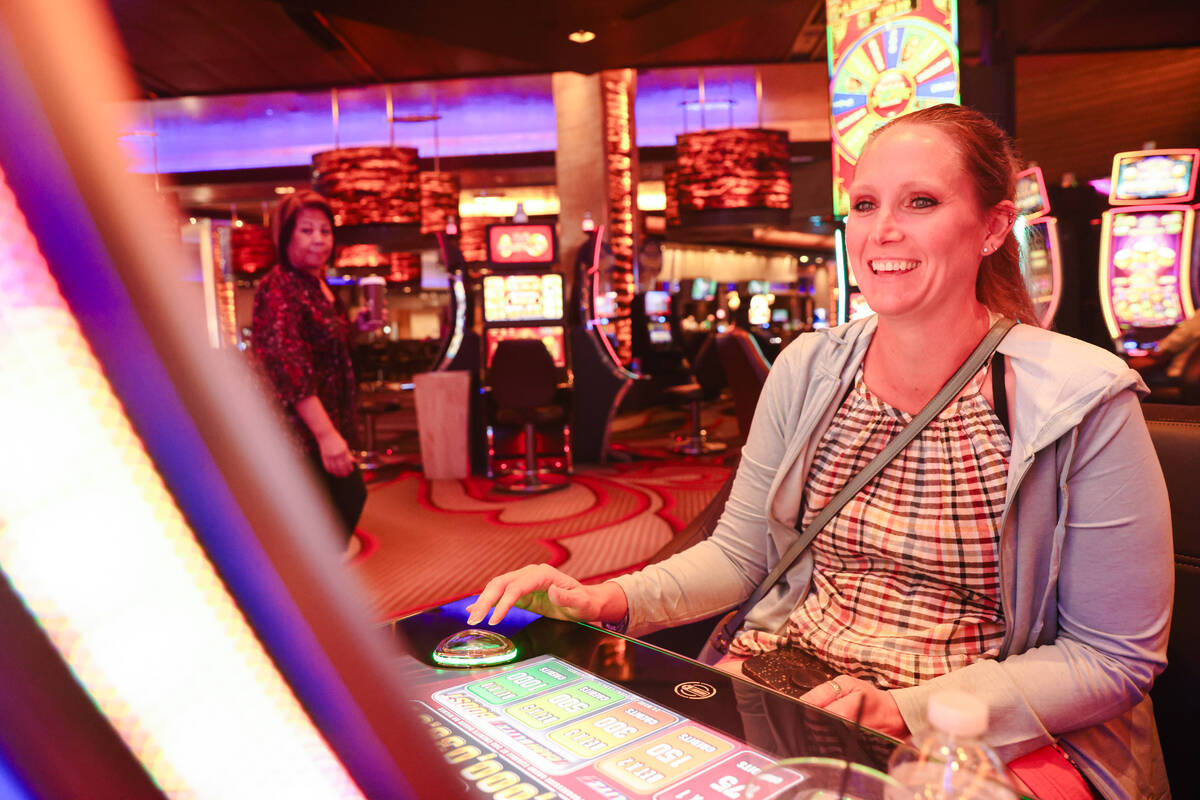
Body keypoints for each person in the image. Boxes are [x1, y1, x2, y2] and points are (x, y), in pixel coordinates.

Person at [467, 105, 1173, 800]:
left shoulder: (1082, 396)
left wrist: (905, 710)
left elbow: (1111, 656)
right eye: (864, 205)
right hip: (789, 677)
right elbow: (741, 555)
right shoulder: (808, 367)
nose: (882, 231)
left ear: (992, 226)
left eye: (920, 201)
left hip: (980, 723)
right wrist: (607, 598)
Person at [252, 190, 367, 544]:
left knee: (334, 509)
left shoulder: (317, 285)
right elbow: (289, 368)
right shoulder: (279, 287)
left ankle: (311, 590)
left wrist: (357, 326)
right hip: (298, 432)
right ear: (285, 236)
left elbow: (325, 347)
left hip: (330, 420)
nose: (318, 238)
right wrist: (326, 435)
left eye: (325, 230)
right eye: (306, 230)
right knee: (332, 508)